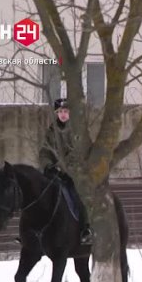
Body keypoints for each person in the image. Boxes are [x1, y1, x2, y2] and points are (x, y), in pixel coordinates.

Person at [38, 98, 94, 245]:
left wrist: (63, 167)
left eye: (65, 112)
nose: (63, 114)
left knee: (77, 195)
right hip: (54, 173)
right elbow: (45, 150)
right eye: (60, 112)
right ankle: (38, 230)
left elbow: (77, 152)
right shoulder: (51, 131)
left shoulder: (76, 130)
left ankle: (85, 229)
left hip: (73, 174)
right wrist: (47, 165)